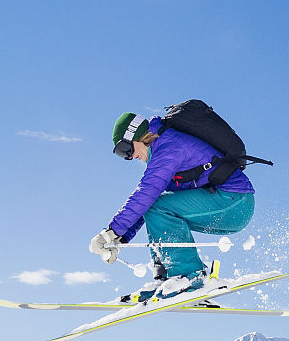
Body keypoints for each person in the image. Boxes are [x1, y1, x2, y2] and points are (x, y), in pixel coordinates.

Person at [89, 110, 256, 303]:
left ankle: (190, 277)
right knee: (157, 207)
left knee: (158, 206)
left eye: (126, 149)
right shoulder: (162, 150)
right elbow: (148, 203)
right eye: (122, 155)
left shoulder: (168, 147)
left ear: (136, 136)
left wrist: (110, 232)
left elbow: (146, 192)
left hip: (234, 202)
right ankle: (168, 278)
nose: (129, 157)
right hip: (225, 203)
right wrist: (120, 238)